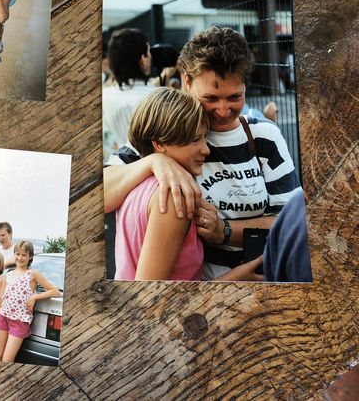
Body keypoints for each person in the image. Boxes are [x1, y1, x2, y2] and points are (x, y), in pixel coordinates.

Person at [104, 26, 301, 279]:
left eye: (234, 97)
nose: (222, 110)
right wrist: (153, 162)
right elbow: (104, 195)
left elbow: (290, 223)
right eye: (211, 98)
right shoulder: (173, 133)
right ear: (187, 81)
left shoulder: (264, 136)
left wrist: (224, 230)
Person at [114, 88, 263, 281]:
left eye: (204, 138)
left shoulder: (133, 182)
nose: (206, 149)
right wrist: (235, 278)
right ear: (159, 143)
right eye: (194, 140)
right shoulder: (173, 197)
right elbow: (148, 295)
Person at [0, 240, 60, 363]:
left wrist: (34, 297)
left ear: (30, 256)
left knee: (7, 360)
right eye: (17, 254)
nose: (20, 258)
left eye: (24, 255)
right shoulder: (8, 275)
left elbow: (55, 291)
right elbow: (0, 300)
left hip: (19, 321)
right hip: (3, 318)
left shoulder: (33, 274)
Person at [102, 28, 155, 162]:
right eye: (149, 52)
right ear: (143, 59)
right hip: (153, 167)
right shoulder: (158, 95)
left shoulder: (105, 96)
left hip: (118, 166)